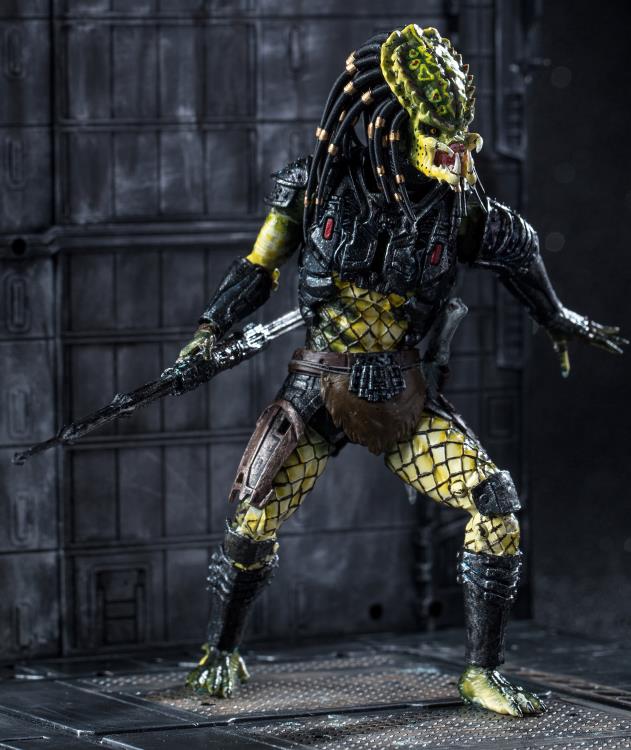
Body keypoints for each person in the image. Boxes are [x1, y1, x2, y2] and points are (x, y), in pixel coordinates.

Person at [179, 25, 626, 717]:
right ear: (396, 127)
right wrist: (210, 330)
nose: (458, 156)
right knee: (252, 519)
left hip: (403, 395)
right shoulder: (315, 188)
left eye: (465, 141)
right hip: (317, 389)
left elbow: (519, 248)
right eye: (439, 138)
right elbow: (260, 265)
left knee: (494, 504)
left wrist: (556, 316)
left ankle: (480, 673)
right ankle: (220, 650)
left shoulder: (459, 207)